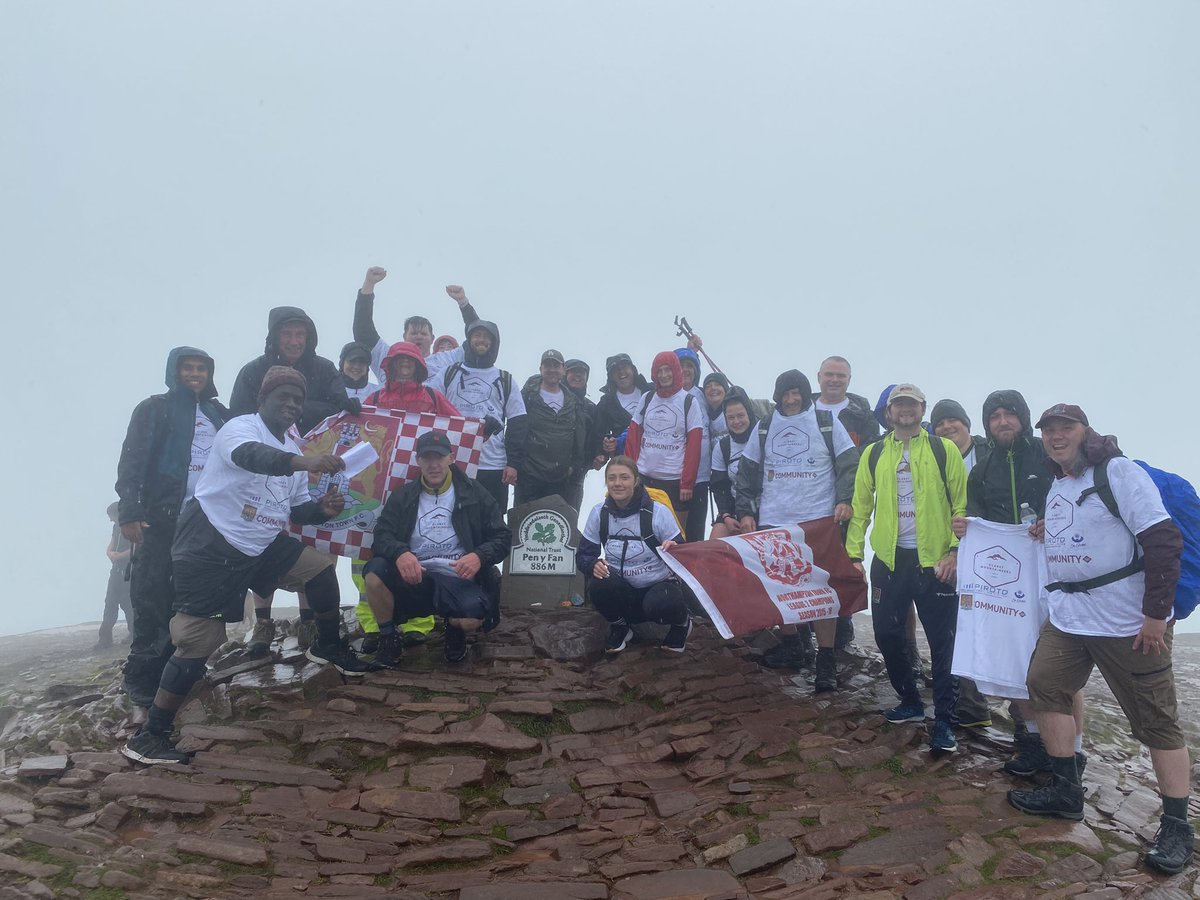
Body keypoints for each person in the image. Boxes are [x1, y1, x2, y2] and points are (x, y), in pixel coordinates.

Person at [122, 368, 373, 766]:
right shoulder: (240, 429)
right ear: (262, 401)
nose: (291, 405)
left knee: (318, 569)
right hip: (211, 544)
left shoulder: (292, 441)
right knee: (199, 640)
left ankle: (327, 645)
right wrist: (303, 460)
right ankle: (150, 735)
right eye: (282, 398)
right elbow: (254, 458)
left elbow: (294, 508)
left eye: (296, 400)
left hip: (261, 542)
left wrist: (320, 510)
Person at [1007, 404, 1191, 876]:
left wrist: (1155, 615)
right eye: (1048, 430)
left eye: (1065, 427)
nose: (1055, 435)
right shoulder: (1059, 485)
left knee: (1157, 721)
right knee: (1045, 683)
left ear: (1086, 432)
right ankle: (1067, 792)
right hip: (1070, 617)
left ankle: (1176, 825)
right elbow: (1089, 532)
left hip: (1127, 622)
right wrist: (1050, 531)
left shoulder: (1118, 471)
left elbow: (1163, 538)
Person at [953, 390, 1080, 775]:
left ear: (1022, 419)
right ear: (987, 424)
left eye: (1009, 414)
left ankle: (1074, 751)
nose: (1002, 421)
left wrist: (1051, 524)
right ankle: (1031, 740)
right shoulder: (982, 468)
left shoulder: (1048, 459)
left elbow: (1075, 501)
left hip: (1056, 570)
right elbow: (975, 516)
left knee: (1061, 664)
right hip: (1007, 581)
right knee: (1016, 659)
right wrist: (966, 527)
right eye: (995, 416)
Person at [847, 384, 967, 753]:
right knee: (886, 633)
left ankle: (945, 721)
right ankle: (911, 701)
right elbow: (860, 506)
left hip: (935, 563)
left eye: (912, 404)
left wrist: (954, 552)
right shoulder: (873, 454)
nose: (905, 410)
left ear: (922, 409)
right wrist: (854, 554)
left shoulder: (943, 450)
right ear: (889, 412)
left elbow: (962, 507)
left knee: (944, 644)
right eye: (899, 404)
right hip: (889, 559)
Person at [115, 347, 229, 716]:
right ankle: (143, 691)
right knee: (152, 600)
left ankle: (187, 672)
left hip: (206, 522)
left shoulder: (218, 413)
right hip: (160, 519)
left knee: (192, 600)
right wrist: (130, 512)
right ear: (174, 372)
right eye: (188, 368)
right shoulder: (154, 408)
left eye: (201, 369)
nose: (195, 374)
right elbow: (132, 460)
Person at [736, 370, 860, 691]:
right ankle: (793, 644)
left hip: (819, 522)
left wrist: (845, 499)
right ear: (777, 396)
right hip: (775, 521)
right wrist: (746, 512)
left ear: (806, 394)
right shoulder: (764, 427)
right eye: (786, 394)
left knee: (821, 591)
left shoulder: (826, 423)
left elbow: (849, 464)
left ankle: (826, 658)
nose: (792, 400)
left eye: (797, 393)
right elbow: (747, 474)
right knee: (782, 588)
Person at [362, 431, 511, 667]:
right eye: (427, 458)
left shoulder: (476, 492)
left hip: (457, 578)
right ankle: (389, 637)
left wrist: (479, 556)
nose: (433, 465)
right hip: (415, 577)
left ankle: (453, 627)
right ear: (418, 460)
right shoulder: (403, 496)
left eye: (439, 457)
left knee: (471, 620)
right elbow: (381, 536)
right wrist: (401, 552)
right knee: (373, 573)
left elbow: (503, 537)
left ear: (451, 458)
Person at [577, 456, 690, 653]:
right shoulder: (599, 513)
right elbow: (583, 556)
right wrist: (592, 564)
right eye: (612, 478)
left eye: (624, 478)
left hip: (658, 587)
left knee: (662, 603)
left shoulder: (659, 512)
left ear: (636, 481)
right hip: (623, 589)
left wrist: (674, 549)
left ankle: (682, 624)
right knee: (598, 585)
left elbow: (685, 555)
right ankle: (620, 626)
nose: (617, 483)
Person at [930, 398, 993, 729]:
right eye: (939, 423)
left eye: (953, 420)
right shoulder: (936, 456)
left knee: (995, 626)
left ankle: (1026, 721)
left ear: (967, 424)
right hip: (950, 554)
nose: (946, 427)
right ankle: (971, 705)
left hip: (989, 554)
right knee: (959, 628)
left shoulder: (988, 453)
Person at [430, 320, 527, 515]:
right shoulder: (448, 373)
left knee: (492, 519)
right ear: (469, 340)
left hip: (492, 464)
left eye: (486, 337)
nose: (481, 340)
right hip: (452, 460)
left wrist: (513, 463)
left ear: (494, 343)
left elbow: (518, 423)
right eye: (476, 335)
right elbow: (429, 405)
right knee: (451, 515)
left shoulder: (505, 379)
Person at [229, 306, 352, 434]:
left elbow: (339, 411)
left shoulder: (326, 369)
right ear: (274, 337)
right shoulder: (252, 371)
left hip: (318, 448)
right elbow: (239, 419)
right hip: (264, 446)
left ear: (307, 337)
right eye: (286, 334)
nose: (294, 342)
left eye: (300, 334)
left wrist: (292, 408)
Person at [624, 352, 706, 537]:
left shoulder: (689, 401)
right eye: (659, 371)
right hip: (644, 477)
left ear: (675, 370)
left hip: (674, 482)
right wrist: (629, 474)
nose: (663, 375)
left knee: (674, 537)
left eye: (667, 370)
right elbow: (633, 437)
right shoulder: (647, 398)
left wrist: (687, 483)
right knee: (640, 532)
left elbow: (694, 445)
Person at [351, 266, 480, 383]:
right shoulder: (388, 356)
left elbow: (477, 341)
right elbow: (363, 332)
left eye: (423, 333)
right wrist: (368, 285)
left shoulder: (446, 360)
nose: (418, 336)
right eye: (413, 333)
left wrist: (463, 303)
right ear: (404, 336)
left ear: (432, 339)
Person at [516, 350, 588, 507]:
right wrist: (515, 464)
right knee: (524, 526)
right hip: (529, 477)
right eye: (547, 365)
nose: (552, 370)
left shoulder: (574, 401)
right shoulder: (527, 396)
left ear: (563, 370)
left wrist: (574, 467)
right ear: (540, 369)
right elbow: (517, 429)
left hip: (560, 479)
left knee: (557, 527)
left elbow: (579, 436)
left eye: (556, 365)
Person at [709, 393, 757, 540]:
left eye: (741, 416)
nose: (736, 421)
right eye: (730, 418)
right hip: (733, 511)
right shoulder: (722, 447)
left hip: (763, 508)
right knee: (712, 546)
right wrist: (726, 516)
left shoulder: (762, 439)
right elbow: (719, 487)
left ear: (749, 413)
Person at [563, 358, 605, 517]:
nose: (577, 376)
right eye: (573, 372)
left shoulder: (591, 408)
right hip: (547, 473)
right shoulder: (552, 401)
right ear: (564, 374)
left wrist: (599, 456)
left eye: (582, 373)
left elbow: (597, 438)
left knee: (569, 520)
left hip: (576, 476)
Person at [812, 356, 880, 448]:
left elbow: (870, 450)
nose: (834, 380)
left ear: (849, 379)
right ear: (819, 377)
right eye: (829, 374)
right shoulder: (802, 411)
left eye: (841, 376)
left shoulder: (864, 417)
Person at [594, 353, 650, 460]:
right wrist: (601, 454)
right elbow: (599, 435)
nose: (621, 373)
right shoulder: (606, 402)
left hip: (655, 456)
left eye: (624, 367)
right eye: (615, 370)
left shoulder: (651, 391)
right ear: (611, 377)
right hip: (625, 460)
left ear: (633, 369)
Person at [97, 502, 135, 650]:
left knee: (128, 603)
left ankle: (134, 634)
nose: (111, 520)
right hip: (116, 569)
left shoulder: (132, 526)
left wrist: (119, 556)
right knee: (110, 602)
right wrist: (111, 553)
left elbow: (137, 548)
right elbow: (111, 545)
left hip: (128, 570)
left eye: (112, 516)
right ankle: (105, 639)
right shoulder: (116, 527)